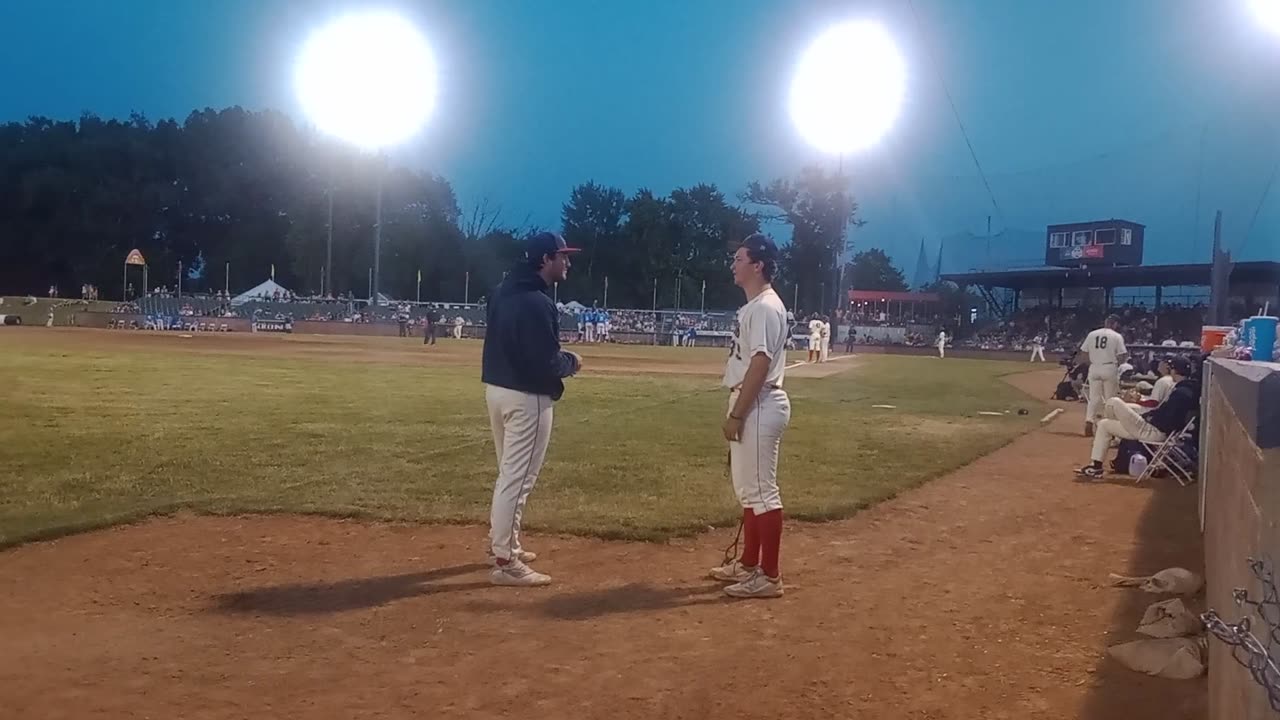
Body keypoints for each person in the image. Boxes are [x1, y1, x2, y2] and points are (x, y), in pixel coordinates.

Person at [480, 231, 583, 587]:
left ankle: (507, 543)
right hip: (527, 398)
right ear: (545, 259)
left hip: (496, 390)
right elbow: (547, 361)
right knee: (517, 479)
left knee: (509, 475)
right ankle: (505, 560)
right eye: (562, 257)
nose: (567, 263)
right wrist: (573, 361)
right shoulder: (538, 302)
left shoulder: (502, 291)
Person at [709, 233, 791, 599]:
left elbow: (760, 363)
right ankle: (748, 564)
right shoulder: (758, 305)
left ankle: (769, 576)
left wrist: (738, 413)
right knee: (748, 491)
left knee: (761, 492)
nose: (733, 264)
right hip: (752, 401)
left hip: (758, 403)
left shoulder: (764, 307)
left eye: (739, 258)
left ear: (758, 265)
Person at [1077, 356, 1199, 480]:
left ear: (1174, 370)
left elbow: (1166, 418)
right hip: (1156, 430)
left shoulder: (1181, 392)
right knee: (1104, 424)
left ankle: (1117, 436)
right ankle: (1096, 467)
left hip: (1153, 431)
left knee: (1113, 402)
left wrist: (1148, 417)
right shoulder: (1188, 389)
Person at [1081, 315, 1128, 436]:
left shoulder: (1092, 334)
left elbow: (1084, 353)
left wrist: (1091, 364)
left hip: (1095, 366)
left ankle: (1089, 421)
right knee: (1110, 399)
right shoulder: (1117, 336)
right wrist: (1119, 365)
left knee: (1094, 398)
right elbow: (1122, 355)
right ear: (1115, 324)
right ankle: (1108, 427)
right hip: (1109, 366)